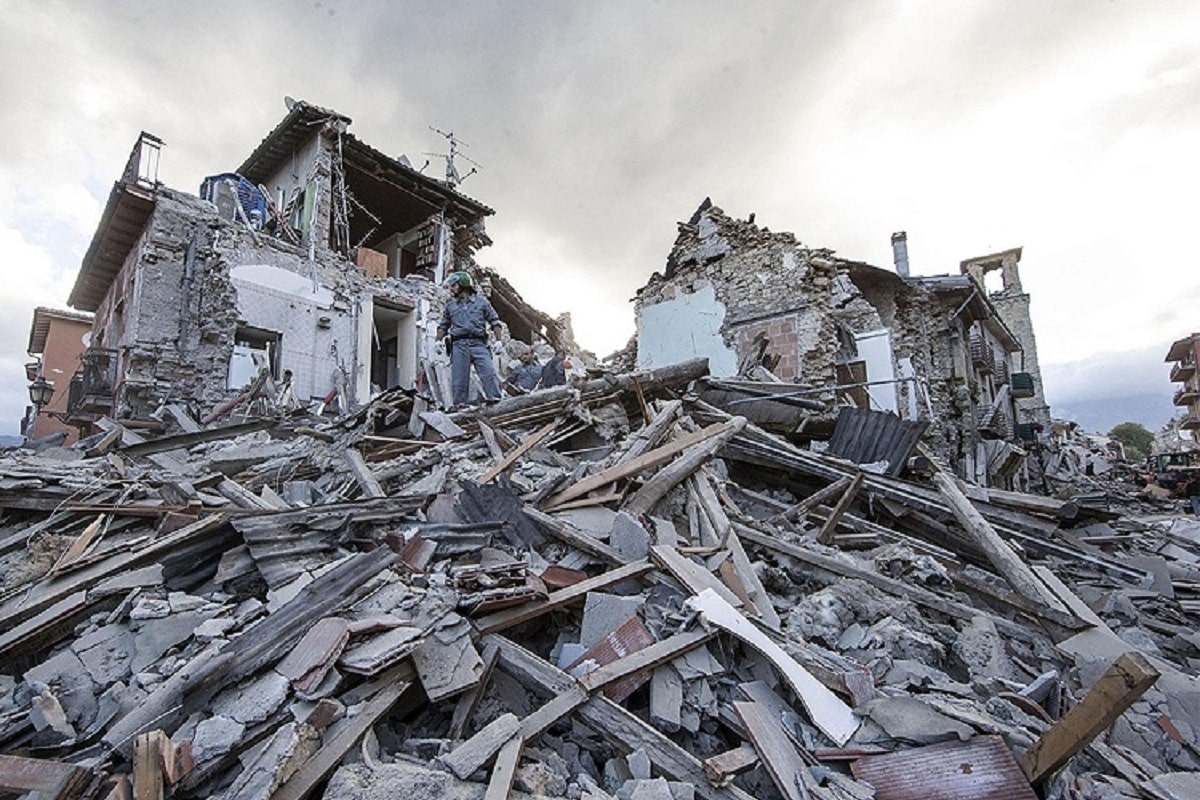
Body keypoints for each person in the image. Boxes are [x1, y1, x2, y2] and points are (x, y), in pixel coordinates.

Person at [437, 271, 504, 407]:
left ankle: (496, 402)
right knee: (459, 380)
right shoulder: (451, 305)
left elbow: (495, 321)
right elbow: (443, 325)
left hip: (478, 344)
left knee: (489, 373)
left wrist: (498, 340)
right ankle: (459, 407)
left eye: (454, 285)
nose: (451, 288)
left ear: (463, 284)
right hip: (459, 345)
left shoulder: (482, 302)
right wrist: (438, 340)